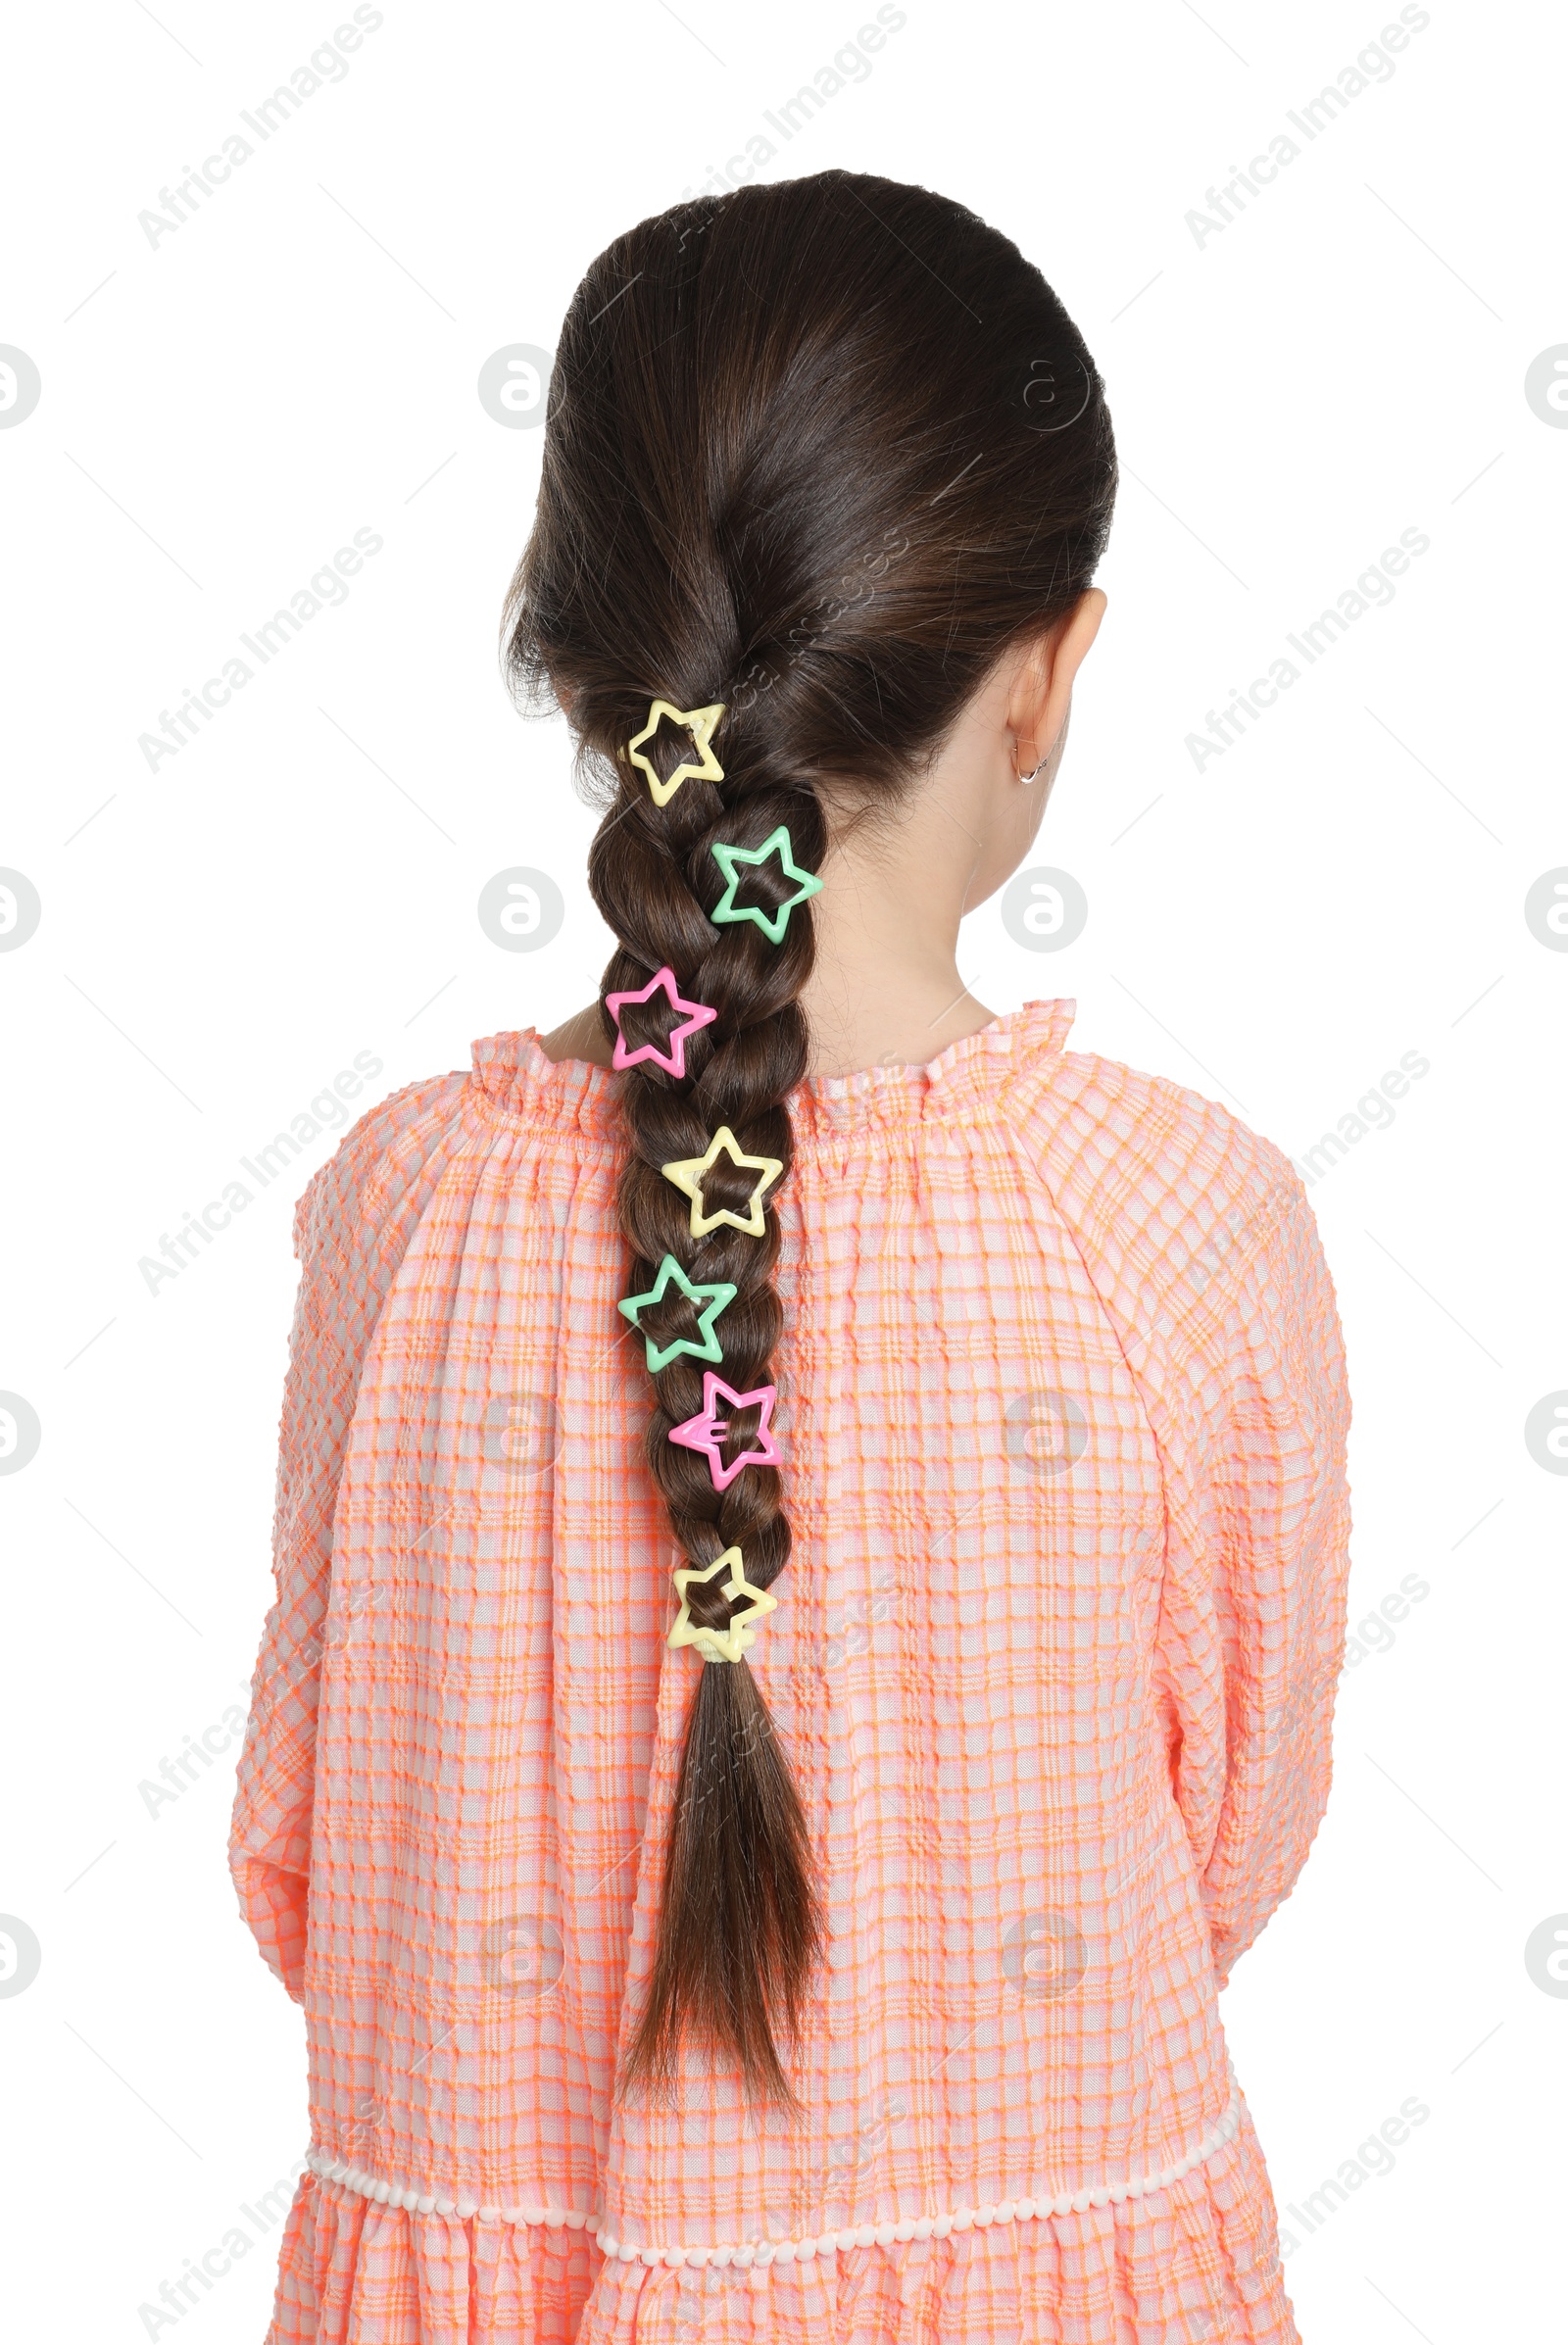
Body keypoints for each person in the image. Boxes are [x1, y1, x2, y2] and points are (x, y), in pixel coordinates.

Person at [230, 170, 1351, 2345]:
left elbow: (299, 1851)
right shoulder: (1174, 1230)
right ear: (1044, 674)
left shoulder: (398, 1216)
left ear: (574, 649)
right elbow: (1219, 1845)